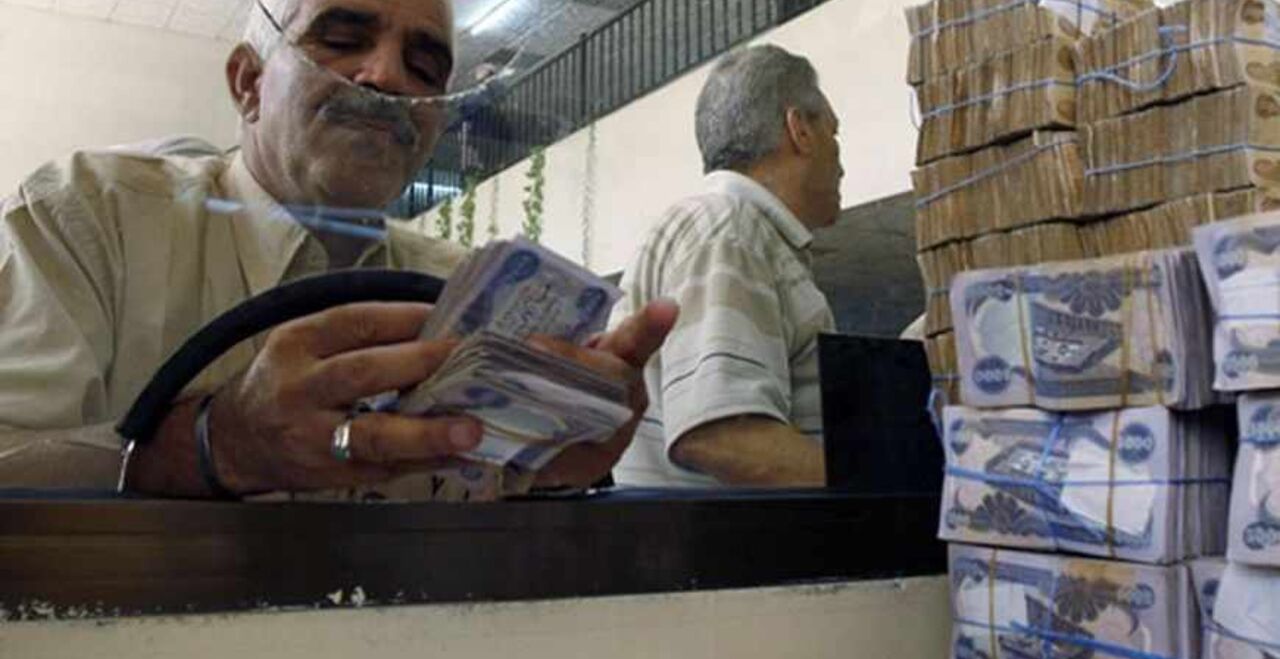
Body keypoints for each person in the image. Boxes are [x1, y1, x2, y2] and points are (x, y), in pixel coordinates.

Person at [0, 0, 676, 499]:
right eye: (344, 39)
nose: (387, 79)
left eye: (425, 66)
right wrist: (214, 446)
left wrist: (552, 473)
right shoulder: (88, 218)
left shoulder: (457, 285)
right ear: (247, 83)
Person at [611, 44, 842, 489]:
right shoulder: (729, 229)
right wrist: (892, 488)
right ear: (801, 131)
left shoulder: (733, 231)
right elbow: (721, 436)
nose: (840, 159)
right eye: (834, 133)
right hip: (720, 557)